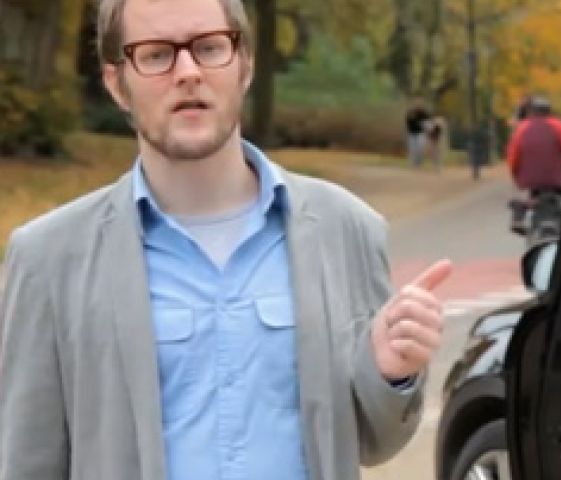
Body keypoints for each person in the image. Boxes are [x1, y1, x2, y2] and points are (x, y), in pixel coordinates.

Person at [0, 0, 452, 479]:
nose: (188, 72)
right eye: (156, 55)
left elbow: (375, 439)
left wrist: (391, 371)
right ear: (117, 83)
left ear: (246, 64)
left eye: (209, 47)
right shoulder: (48, 259)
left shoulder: (347, 228)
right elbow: (26, 462)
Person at [505, 96, 561, 236]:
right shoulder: (560, 126)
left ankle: (521, 215)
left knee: (531, 197)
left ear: (532, 111)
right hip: (558, 179)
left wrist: (515, 173)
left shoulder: (522, 128)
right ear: (549, 110)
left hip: (530, 179)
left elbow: (513, 156)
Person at [406, 100, 431, 168]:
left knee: (420, 148)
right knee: (412, 149)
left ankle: (419, 163)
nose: (417, 106)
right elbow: (407, 122)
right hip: (412, 133)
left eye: (419, 104)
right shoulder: (410, 112)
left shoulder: (424, 113)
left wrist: (427, 131)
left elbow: (427, 123)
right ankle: (412, 164)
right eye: (416, 104)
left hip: (421, 133)